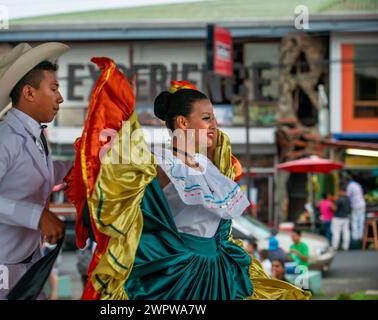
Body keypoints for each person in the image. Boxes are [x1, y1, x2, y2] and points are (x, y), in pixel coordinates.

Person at [65, 57, 311, 300]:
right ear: (183, 122)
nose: (214, 125)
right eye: (206, 118)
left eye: (213, 117)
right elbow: (130, 213)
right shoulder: (161, 164)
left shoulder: (208, 165)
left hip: (219, 270)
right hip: (178, 273)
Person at [0, 42, 73, 300]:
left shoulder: (35, 136)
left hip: (26, 268)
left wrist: (77, 168)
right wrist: (37, 216)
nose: (60, 97)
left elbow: (39, 175)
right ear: (29, 93)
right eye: (53, 88)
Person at [345, 175, 366, 243]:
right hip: (362, 204)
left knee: (355, 222)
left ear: (346, 181)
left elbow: (347, 197)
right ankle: (361, 237)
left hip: (356, 206)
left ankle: (355, 238)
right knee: (361, 221)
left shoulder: (350, 186)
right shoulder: (358, 185)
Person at [331, 186, 351, 251]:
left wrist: (331, 204)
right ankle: (346, 246)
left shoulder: (340, 199)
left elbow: (335, 208)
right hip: (346, 217)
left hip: (338, 218)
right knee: (346, 232)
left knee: (336, 232)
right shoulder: (348, 199)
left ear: (341, 191)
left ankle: (335, 246)